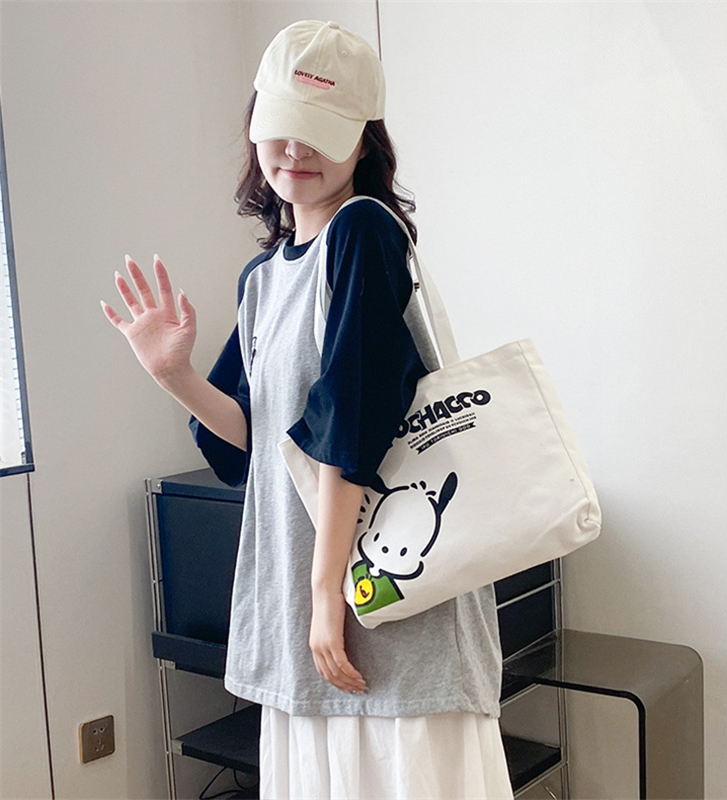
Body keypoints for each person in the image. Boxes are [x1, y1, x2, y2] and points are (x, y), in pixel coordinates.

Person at [101, 19, 514, 800]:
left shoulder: (364, 232)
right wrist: (174, 374)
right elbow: (252, 442)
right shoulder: (263, 278)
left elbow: (351, 422)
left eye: (319, 131)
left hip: (376, 607)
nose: (294, 150)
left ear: (364, 141)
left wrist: (327, 600)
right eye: (281, 126)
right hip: (311, 603)